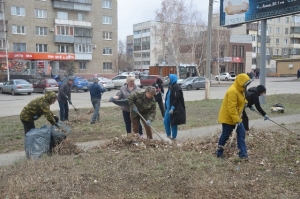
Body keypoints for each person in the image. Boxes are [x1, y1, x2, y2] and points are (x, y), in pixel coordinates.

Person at [216, 73, 252, 159]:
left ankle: (243, 155)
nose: (246, 86)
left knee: (241, 133)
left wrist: (246, 103)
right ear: (241, 83)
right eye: (245, 84)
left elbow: (242, 99)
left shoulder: (240, 90)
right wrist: (237, 120)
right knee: (225, 135)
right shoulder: (233, 91)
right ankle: (219, 153)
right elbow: (231, 108)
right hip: (228, 118)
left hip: (236, 117)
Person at [163, 74, 186, 140]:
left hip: (174, 109)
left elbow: (177, 98)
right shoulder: (170, 86)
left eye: (169, 78)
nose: (168, 80)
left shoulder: (177, 87)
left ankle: (173, 137)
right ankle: (168, 135)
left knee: (173, 123)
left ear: (172, 79)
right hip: (168, 108)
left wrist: (173, 107)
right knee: (166, 121)